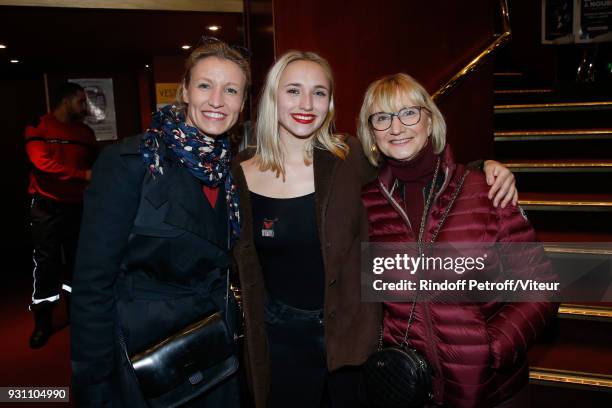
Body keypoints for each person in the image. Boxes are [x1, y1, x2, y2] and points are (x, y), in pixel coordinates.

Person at [233, 51, 517, 408]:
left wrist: (483, 168)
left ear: (330, 102)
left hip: (353, 345)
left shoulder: (349, 157)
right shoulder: (239, 174)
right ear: (273, 96)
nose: (307, 103)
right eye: (293, 90)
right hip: (282, 344)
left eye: (319, 92)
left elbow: (412, 166)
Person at [358, 73, 558, 407]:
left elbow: (541, 288)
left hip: (490, 390)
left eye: (409, 112)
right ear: (371, 133)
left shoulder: (485, 189)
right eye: (382, 117)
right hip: (409, 387)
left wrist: (494, 347)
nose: (396, 127)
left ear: (430, 121)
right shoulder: (367, 204)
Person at [70, 38, 248, 407]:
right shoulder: (131, 162)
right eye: (205, 85)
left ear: (242, 102)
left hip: (211, 344)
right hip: (145, 353)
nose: (217, 100)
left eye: (231, 90)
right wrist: (96, 384)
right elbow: (92, 284)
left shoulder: (230, 170)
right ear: (184, 90)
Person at [25, 81, 97, 349]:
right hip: (46, 207)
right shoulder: (39, 126)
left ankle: (77, 317)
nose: (84, 106)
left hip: (77, 206)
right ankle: (42, 324)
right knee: (46, 264)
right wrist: (81, 176)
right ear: (66, 101)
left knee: (78, 264)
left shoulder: (85, 133)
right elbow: (41, 163)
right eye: (80, 101)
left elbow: (95, 166)